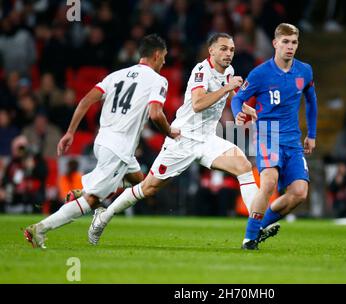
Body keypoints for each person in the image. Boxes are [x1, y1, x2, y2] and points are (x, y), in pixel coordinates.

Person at [87, 33, 272, 246]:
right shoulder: (201, 71)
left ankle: (255, 228)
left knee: (243, 165)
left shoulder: (228, 71)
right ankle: (104, 216)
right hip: (183, 139)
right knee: (148, 188)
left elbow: (230, 95)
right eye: (223, 48)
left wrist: (250, 110)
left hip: (207, 139)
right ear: (211, 50)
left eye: (231, 49)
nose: (228, 53)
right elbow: (198, 104)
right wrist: (227, 88)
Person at [24, 34, 174, 248]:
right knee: (93, 201)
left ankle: (89, 188)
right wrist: (170, 133)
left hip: (104, 141)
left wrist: (70, 133)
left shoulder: (116, 75)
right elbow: (156, 114)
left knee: (140, 181)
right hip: (119, 148)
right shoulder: (158, 80)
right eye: (164, 57)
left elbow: (85, 101)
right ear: (157, 55)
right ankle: (39, 229)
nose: (165, 62)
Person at [231, 23, 318, 250]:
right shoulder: (261, 73)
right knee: (269, 181)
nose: (290, 47)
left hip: (293, 139)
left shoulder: (305, 71)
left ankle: (259, 227)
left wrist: (312, 134)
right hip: (268, 134)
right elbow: (237, 99)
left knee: (299, 193)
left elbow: (311, 101)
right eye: (285, 42)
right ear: (275, 43)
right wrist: (239, 113)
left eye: (294, 42)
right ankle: (249, 239)